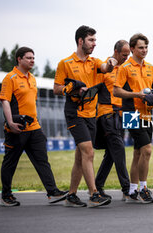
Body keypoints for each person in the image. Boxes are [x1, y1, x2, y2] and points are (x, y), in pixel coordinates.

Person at [54, 25, 116, 207]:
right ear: (80, 41)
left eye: (95, 40)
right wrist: (72, 88)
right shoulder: (65, 63)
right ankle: (94, 194)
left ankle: (71, 195)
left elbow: (105, 67)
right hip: (74, 113)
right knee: (88, 152)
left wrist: (111, 62)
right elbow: (56, 89)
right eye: (91, 40)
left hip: (91, 114)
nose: (94, 44)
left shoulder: (95, 62)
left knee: (80, 156)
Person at [0, 47, 68, 207]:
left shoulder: (33, 78)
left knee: (42, 161)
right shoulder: (10, 78)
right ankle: (5, 196)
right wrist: (10, 122)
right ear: (19, 59)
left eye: (33, 58)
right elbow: (5, 101)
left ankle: (52, 192)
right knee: (10, 162)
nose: (32, 60)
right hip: (16, 128)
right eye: (28, 58)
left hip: (34, 128)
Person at [114, 33, 153, 203]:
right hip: (130, 113)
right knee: (147, 149)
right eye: (141, 47)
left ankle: (132, 190)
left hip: (147, 114)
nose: (144, 50)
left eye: (146, 47)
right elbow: (116, 91)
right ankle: (143, 188)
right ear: (132, 48)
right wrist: (138, 95)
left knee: (138, 153)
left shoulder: (151, 67)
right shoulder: (125, 68)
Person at [94, 40, 131, 200]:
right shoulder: (104, 68)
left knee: (111, 153)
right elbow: (92, 91)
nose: (126, 57)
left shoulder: (125, 69)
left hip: (123, 115)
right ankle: (127, 189)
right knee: (118, 149)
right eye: (124, 55)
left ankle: (98, 186)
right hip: (107, 113)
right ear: (115, 52)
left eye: (128, 54)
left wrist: (132, 120)